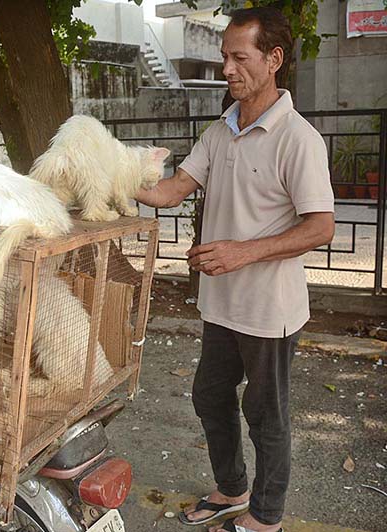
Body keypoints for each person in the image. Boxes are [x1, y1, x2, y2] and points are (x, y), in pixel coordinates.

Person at [135, 7, 335, 532]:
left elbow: (321, 228)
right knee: (209, 396)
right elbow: (169, 191)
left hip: (269, 312)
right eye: (224, 57)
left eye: (238, 57)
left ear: (273, 60)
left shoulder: (298, 138)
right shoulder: (220, 131)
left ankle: (266, 518)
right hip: (221, 305)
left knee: (267, 418)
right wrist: (102, 174)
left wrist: (242, 252)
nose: (227, 68)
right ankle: (231, 489)